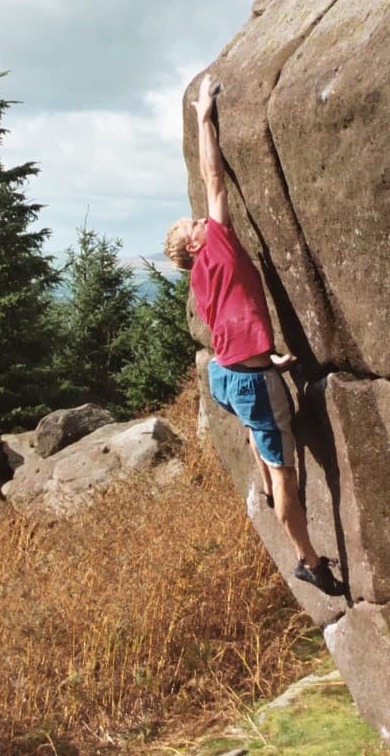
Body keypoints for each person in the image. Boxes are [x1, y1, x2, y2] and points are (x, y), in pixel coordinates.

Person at [164, 75, 344, 598]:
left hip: (226, 375)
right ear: (197, 246)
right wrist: (203, 117)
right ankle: (307, 560)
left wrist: (269, 359)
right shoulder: (216, 247)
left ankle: (263, 476)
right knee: (286, 470)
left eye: (198, 219)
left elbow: (232, 321)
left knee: (254, 426)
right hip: (247, 381)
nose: (203, 218)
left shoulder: (201, 277)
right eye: (193, 225)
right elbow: (213, 177)